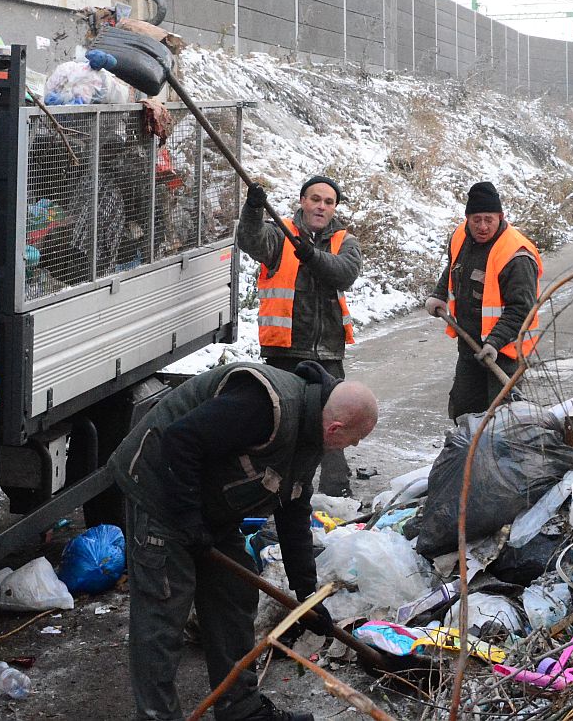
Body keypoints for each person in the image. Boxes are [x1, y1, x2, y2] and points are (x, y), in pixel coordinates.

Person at [109, 361, 378, 721]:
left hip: (207, 507)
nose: (352, 445)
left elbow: (293, 504)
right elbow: (180, 439)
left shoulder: (312, 430)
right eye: (354, 439)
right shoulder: (263, 405)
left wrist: (306, 595)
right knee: (164, 611)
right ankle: (158, 716)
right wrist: (189, 520)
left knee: (234, 595)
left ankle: (241, 711)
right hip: (159, 489)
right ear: (336, 427)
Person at [236, 175, 362, 496]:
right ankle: (273, 492)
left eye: (328, 202)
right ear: (303, 201)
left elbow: (343, 273)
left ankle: (337, 492)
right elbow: (250, 241)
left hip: (327, 354)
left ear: (334, 208)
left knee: (334, 425)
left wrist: (310, 255)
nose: (321, 206)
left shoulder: (345, 242)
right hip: (285, 351)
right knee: (281, 426)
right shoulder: (279, 235)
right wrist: (252, 209)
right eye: (315, 199)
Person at [423, 182, 543, 419]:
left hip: (507, 352)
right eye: (476, 220)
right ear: (467, 218)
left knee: (502, 418)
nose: (483, 226)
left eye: (489, 219)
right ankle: (470, 454)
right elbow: (453, 267)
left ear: (501, 216)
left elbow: (522, 310)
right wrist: (439, 294)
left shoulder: (516, 255)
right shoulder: (460, 236)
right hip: (470, 345)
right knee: (463, 410)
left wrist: (495, 342)